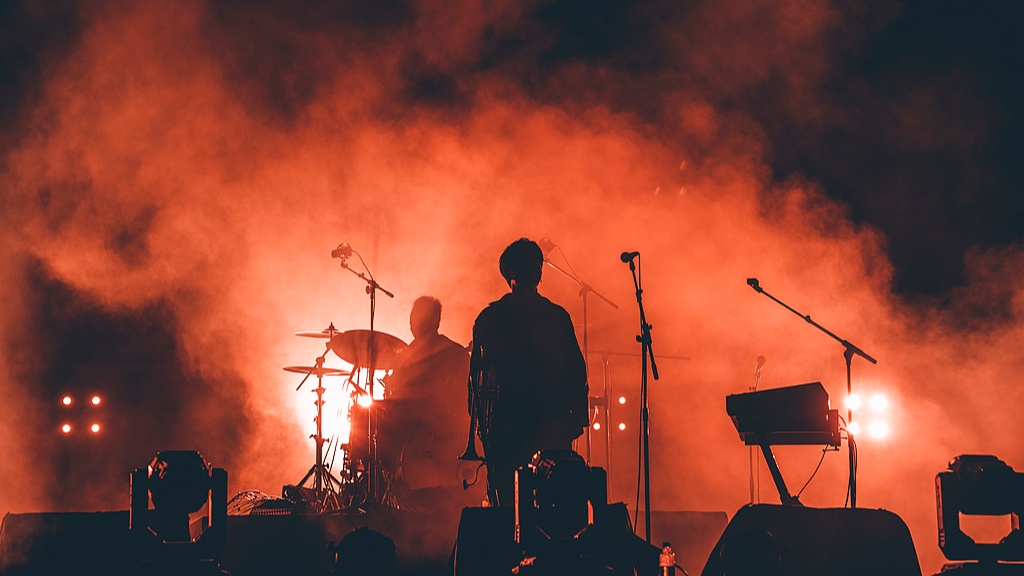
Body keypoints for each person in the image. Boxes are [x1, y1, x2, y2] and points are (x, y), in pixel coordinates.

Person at [469, 238, 589, 506]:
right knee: (553, 509)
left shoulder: (490, 318)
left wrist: (481, 427)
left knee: (507, 508)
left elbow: (476, 380)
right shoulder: (557, 317)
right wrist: (578, 419)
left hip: (507, 429)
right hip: (548, 427)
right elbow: (576, 372)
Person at [384, 296, 471, 501]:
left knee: (381, 430)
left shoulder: (405, 357)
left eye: (413, 319)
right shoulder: (456, 352)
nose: (410, 324)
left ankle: (387, 490)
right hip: (449, 429)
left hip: (415, 424)